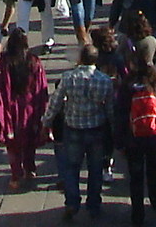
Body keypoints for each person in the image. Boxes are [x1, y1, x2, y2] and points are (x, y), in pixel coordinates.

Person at [52, 45, 117, 220]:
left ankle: (72, 203)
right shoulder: (105, 80)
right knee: (95, 169)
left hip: (73, 128)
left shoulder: (68, 77)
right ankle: (93, 205)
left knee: (71, 168)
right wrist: (114, 129)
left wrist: (46, 122)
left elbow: (56, 102)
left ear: (81, 58)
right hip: (96, 128)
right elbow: (110, 109)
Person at [0, 29, 50, 191]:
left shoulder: (4, 63)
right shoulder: (34, 61)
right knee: (30, 140)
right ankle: (30, 168)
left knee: (13, 144)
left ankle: (16, 175)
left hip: (11, 109)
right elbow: (41, 86)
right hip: (30, 107)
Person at [116, 42, 156, 226]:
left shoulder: (127, 85)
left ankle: (137, 214)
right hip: (155, 137)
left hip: (133, 138)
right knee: (154, 170)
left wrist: (120, 141)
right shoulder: (155, 84)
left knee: (136, 177)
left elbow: (121, 114)